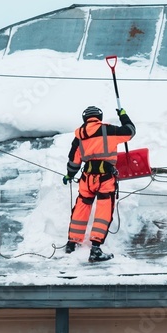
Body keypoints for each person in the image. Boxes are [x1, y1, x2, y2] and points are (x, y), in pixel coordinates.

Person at [62, 105, 135, 262]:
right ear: (99, 117)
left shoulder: (80, 136)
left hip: (87, 178)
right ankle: (95, 249)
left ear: (85, 119)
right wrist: (123, 115)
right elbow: (130, 131)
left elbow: (74, 160)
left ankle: (72, 243)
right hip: (105, 178)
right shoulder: (108, 130)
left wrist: (69, 175)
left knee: (81, 207)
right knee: (103, 210)